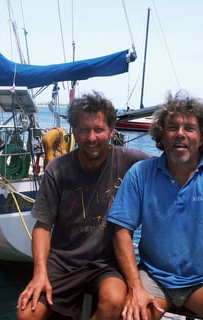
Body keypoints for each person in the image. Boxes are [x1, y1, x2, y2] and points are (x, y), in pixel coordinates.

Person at [16, 92, 150, 320]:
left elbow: (170, 166)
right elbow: (42, 226)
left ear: (111, 130)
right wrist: (39, 273)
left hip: (107, 263)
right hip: (63, 262)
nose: (91, 137)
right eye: (84, 130)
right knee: (27, 314)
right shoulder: (58, 169)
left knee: (114, 300)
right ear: (74, 132)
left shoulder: (132, 162)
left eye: (99, 130)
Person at [107, 91, 203, 320]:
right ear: (162, 135)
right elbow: (121, 231)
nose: (180, 134)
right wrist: (135, 287)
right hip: (154, 277)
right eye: (172, 127)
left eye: (189, 128)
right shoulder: (141, 174)